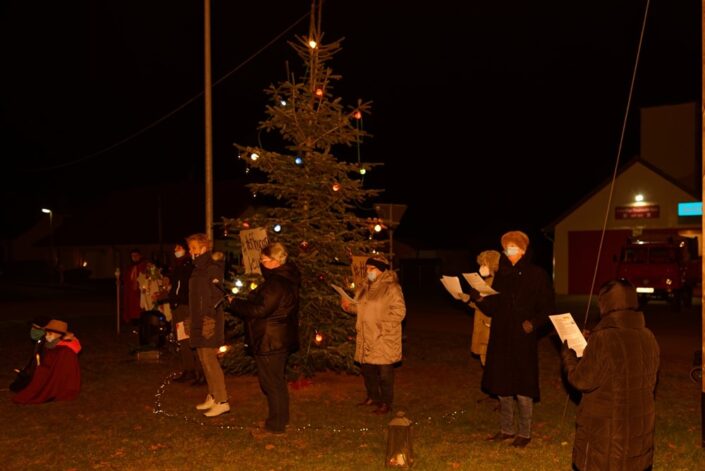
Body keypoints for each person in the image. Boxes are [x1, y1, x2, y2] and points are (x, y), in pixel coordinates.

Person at [462, 230, 554, 448]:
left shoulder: (537, 275)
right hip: (501, 336)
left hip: (522, 337)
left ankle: (524, 432)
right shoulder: (502, 275)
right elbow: (494, 307)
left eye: (512, 247)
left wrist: (533, 323)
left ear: (522, 250)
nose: (508, 251)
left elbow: (548, 308)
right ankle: (506, 429)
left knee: (523, 387)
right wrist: (479, 299)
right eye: (506, 247)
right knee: (503, 386)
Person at [561, 278, 660, 471]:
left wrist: (568, 357)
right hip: (639, 430)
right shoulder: (648, 336)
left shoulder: (604, 338)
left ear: (605, 303)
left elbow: (582, 380)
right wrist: (591, 344)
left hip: (607, 435)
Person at [226, 242, 300, 435]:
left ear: (275, 262)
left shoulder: (277, 283)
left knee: (272, 383)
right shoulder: (284, 279)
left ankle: (276, 425)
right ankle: (279, 420)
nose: (261, 263)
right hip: (275, 338)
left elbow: (260, 310)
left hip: (270, 340)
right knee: (276, 382)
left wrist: (235, 304)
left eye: (264, 260)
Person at [340, 254, 406, 415]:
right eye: (367, 269)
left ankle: (386, 402)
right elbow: (359, 308)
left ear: (381, 270)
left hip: (383, 337)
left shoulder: (391, 287)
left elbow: (400, 312)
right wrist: (348, 306)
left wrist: (381, 324)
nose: (368, 272)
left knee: (384, 373)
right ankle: (372, 397)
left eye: (372, 269)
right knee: (368, 370)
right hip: (366, 335)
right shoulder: (364, 287)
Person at [187, 233, 230, 417]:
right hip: (198, 318)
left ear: (204, 248)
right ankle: (213, 395)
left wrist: (209, 317)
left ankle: (222, 400)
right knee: (203, 359)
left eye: (194, 248)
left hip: (208, 320)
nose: (191, 252)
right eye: (190, 248)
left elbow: (217, 295)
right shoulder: (198, 268)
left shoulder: (211, 267)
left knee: (210, 360)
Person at [12, 319, 82, 404]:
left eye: (50, 334)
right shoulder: (50, 345)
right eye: (47, 333)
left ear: (58, 334)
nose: (46, 336)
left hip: (56, 378)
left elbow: (62, 371)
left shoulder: (65, 351)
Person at [166, 241, 204, 385]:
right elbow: (176, 286)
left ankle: (199, 372)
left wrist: (175, 298)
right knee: (182, 339)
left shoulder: (188, 265)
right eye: (175, 248)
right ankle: (188, 370)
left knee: (190, 338)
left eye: (179, 248)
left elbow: (185, 288)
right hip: (178, 306)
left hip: (185, 306)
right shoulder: (177, 265)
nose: (176, 250)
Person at [465, 250, 500, 367]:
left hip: (488, 326)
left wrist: (478, 298)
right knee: (485, 359)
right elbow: (480, 305)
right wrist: (467, 298)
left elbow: (492, 306)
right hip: (482, 324)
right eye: (481, 264)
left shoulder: (498, 283)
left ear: (492, 264)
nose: (481, 268)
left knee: (490, 360)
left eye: (484, 264)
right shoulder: (486, 281)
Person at [9, 316, 50, 392]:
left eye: (35, 327)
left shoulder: (45, 339)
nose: (33, 329)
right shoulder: (39, 339)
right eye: (33, 327)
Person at [122, 248, 149, 324]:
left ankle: (141, 319)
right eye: (132, 256)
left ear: (140, 256)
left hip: (141, 290)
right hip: (131, 291)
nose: (134, 257)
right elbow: (127, 278)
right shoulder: (130, 267)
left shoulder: (144, 265)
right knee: (132, 306)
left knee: (141, 305)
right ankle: (133, 319)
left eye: (136, 255)